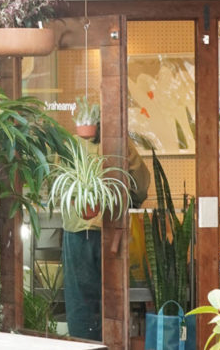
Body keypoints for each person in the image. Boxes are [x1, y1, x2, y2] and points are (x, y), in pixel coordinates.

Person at [61, 135, 149, 341]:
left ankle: (84, 344)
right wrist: (129, 203)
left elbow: (53, 186)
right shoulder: (119, 140)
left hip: (76, 232)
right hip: (113, 232)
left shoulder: (68, 143)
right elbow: (141, 184)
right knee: (114, 303)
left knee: (80, 306)